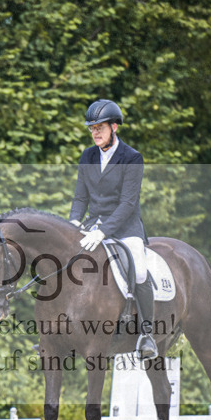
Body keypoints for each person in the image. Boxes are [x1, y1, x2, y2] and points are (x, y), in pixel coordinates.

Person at [68, 99, 158, 361]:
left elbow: (128, 203)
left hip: (125, 227)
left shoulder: (132, 158)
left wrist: (103, 232)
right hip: (93, 224)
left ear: (114, 127)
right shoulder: (87, 156)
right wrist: (74, 222)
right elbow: (80, 197)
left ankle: (147, 334)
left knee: (139, 271)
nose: (95, 132)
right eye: (92, 128)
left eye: (100, 127)